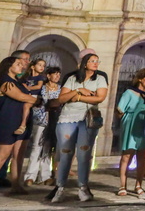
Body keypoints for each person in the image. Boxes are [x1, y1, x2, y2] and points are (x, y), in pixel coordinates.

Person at [47, 52, 108, 203]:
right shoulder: (72, 78)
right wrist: (78, 90)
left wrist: (78, 98)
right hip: (68, 118)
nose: (95, 63)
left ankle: (83, 187)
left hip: (87, 119)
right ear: (84, 63)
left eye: (97, 61)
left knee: (83, 154)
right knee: (65, 152)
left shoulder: (100, 78)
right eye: (92, 61)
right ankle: (60, 187)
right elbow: (61, 98)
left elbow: (99, 97)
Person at [0, 56, 37, 194]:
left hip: (21, 120)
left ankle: (16, 185)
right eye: (17, 64)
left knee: (19, 154)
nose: (21, 66)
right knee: (3, 154)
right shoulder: (6, 83)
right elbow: (21, 97)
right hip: (8, 119)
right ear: (8, 66)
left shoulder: (18, 81)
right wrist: (38, 100)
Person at [116, 67, 145, 196]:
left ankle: (138, 184)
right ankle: (122, 185)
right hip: (131, 124)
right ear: (140, 78)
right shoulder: (129, 92)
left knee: (142, 157)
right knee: (127, 155)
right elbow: (120, 109)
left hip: (144, 125)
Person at [24, 66, 61, 186]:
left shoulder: (61, 89)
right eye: (54, 74)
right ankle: (30, 175)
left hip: (54, 121)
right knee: (36, 146)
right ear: (49, 75)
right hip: (41, 120)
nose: (57, 76)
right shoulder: (42, 88)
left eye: (58, 74)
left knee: (48, 148)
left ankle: (45, 175)